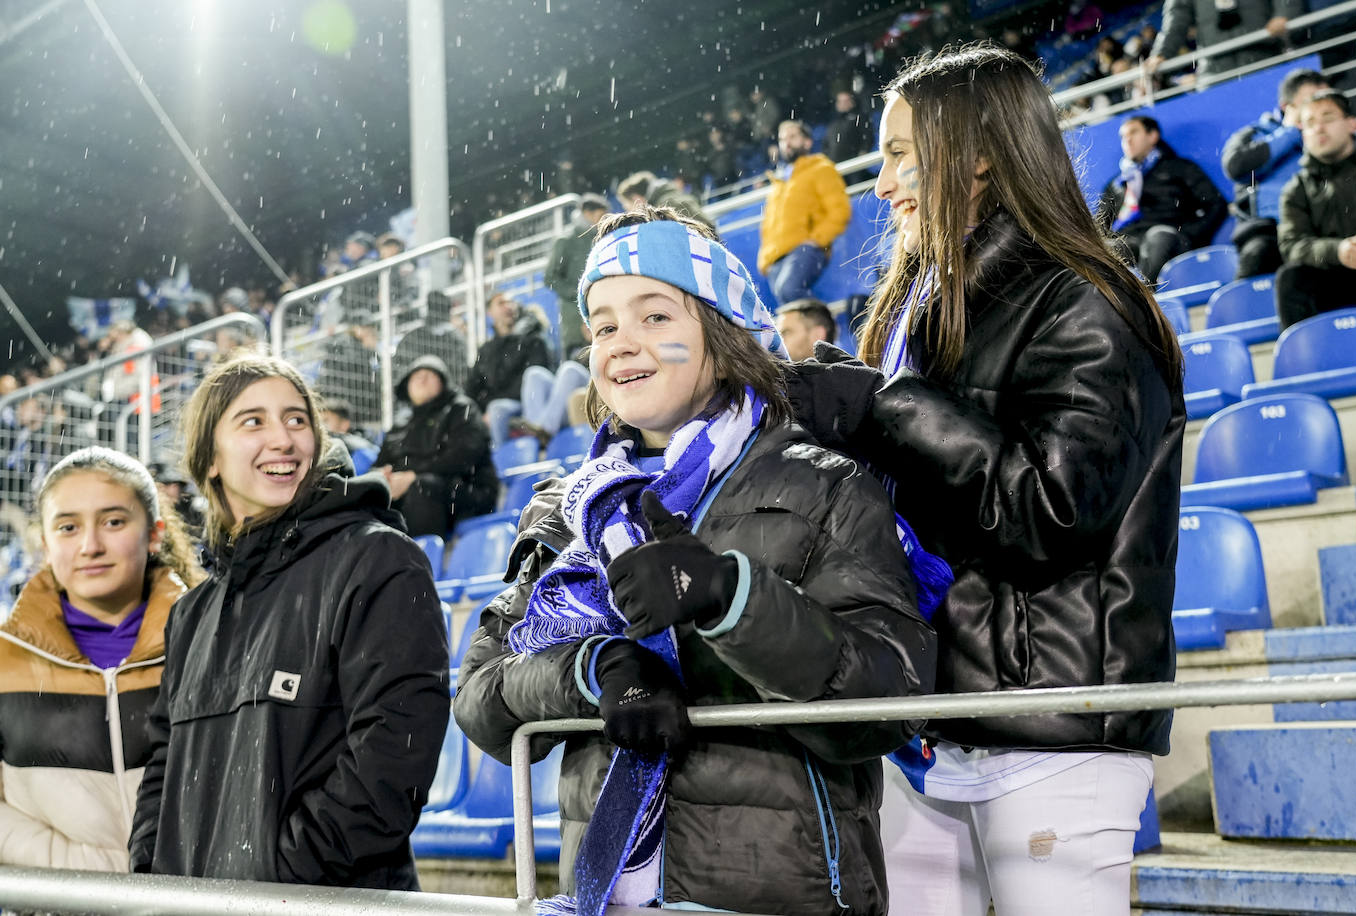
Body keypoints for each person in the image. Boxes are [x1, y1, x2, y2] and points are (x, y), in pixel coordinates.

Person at [453, 207, 944, 915]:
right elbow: (480, 698)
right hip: (607, 901)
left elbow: (889, 703)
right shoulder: (568, 508)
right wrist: (595, 670)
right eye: (603, 324)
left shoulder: (823, 482)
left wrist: (729, 600)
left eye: (655, 317)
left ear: (721, 330)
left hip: (776, 898)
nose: (622, 344)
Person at [787, 45, 1184, 916]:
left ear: (978, 154)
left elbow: (1052, 512)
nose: (880, 184)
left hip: (1053, 729)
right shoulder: (922, 308)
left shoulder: (1087, 300)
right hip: (930, 725)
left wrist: (889, 408)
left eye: (899, 154)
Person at [128, 354, 449, 888]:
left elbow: (395, 755)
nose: (283, 439)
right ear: (210, 457)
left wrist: (282, 874)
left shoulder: (379, 560)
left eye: (297, 420)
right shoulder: (192, 612)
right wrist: (150, 870)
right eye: (253, 421)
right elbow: (165, 762)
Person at [0, 447, 203, 869]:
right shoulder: (6, 660)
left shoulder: (214, 643)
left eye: (113, 522)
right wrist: (96, 876)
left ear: (154, 533)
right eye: (68, 527)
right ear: (45, 542)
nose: (90, 546)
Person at [1275, 89, 1356, 328]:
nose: (1319, 128)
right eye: (1310, 123)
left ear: (1351, 123)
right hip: (1336, 275)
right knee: (1291, 279)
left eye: (1328, 118)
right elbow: (1292, 245)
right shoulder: (1296, 188)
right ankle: (1305, 361)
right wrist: (1337, 251)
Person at [1222, 68, 1330, 278]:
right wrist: (1290, 132)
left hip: (1321, 230)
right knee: (1257, 255)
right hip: (1268, 232)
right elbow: (1236, 166)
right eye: (1311, 101)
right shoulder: (1254, 134)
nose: (1318, 110)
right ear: (1287, 107)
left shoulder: (1329, 136)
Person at [376, 355, 499, 538]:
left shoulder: (461, 408)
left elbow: (464, 456)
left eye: (429, 374)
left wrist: (412, 476)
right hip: (411, 496)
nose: (422, 379)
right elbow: (382, 461)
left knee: (422, 486)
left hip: (466, 491)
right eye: (415, 376)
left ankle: (422, 560)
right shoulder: (401, 423)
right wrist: (382, 476)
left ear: (443, 381)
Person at [1097, 115, 1227, 283]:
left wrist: (1189, 234)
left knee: (1158, 237)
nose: (1127, 140)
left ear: (1153, 136)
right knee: (1109, 248)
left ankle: (1146, 298)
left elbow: (1216, 205)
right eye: (1123, 136)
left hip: (1170, 238)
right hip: (1130, 241)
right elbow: (1101, 225)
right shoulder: (1117, 183)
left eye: (1133, 133)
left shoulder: (1180, 168)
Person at [759, 120, 852, 303]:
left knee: (790, 291)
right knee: (790, 308)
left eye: (793, 136)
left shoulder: (821, 169)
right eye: (782, 138)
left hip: (804, 249)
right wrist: (765, 259)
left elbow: (840, 210)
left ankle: (825, 328)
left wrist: (815, 241)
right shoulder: (778, 183)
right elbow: (768, 225)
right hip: (777, 259)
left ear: (807, 142)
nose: (786, 142)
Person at [1146, 0, 1300, 78]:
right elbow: (1176, 20)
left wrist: (1284, 14)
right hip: (1215, 70)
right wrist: (1161, 53)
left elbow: (1286, 3)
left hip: (1266, 58)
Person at [546, 194, 611, 360]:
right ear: (586, 213)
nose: (601, 220)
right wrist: (579, 293)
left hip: (598, 312)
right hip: (574, 320)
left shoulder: (601, 238)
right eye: (599, 215)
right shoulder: (566, 241)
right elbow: (550, 278)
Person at [615, 171, 714, 230]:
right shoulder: (669, 199)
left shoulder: (666, 206)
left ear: (637, 199)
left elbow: (705, 229)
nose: (627, 210)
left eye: (626, 204)